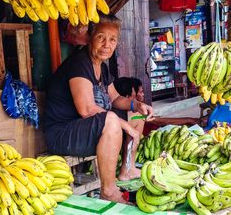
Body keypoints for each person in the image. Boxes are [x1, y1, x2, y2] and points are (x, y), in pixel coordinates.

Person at [43, 14, 153, 204]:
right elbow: (86, 109)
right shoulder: (79, 63)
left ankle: (127, 168)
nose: (106, 44)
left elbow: (115, 98)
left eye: (112, 40)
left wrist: (137, 105)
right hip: (62, 133)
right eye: (101, 37)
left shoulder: (101, 67)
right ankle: (108, 191)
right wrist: (124, 126)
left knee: (135, 115)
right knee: (111, 120)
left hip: (84, 129)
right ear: (90, 38)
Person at [113, 77, 200, 133]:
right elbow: (161, 121)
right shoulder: (134, 115)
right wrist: (191, 120)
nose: (142, 95)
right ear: (126, 97)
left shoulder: (136, 110)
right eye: (139, 92)